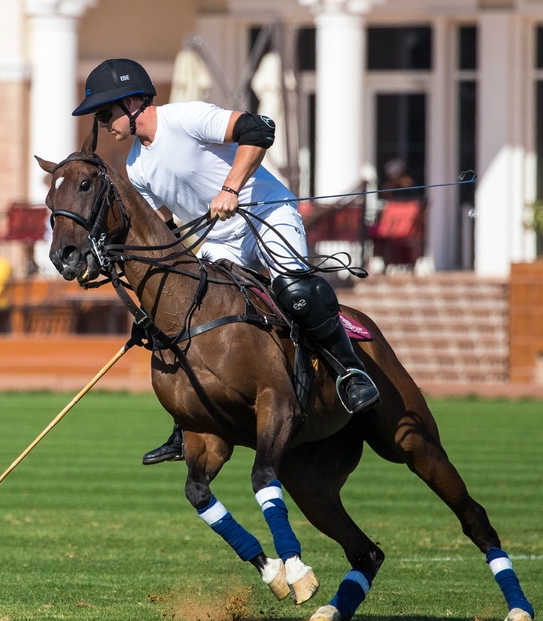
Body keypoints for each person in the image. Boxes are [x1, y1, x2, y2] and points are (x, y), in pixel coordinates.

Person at [72, 58, 380, 465]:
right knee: (184, 311)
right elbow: (159, 227)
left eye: (106, 112)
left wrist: (230, 187)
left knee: (296, 290)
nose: (104, 122)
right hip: (220, 237)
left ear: (132, 103)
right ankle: (187, 424)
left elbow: (259, 128)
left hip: (267, 211)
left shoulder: (186, 117)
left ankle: (350, 373)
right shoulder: (136, 167)